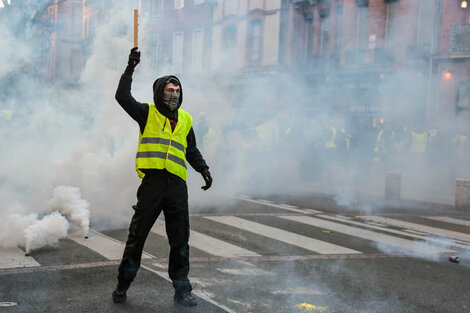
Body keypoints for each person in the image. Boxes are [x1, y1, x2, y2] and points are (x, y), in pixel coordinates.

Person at [112, 48, 213, 307]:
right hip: (153, 185)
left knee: (180, 241)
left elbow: (191, 149)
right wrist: (130, 67)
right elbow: (122, 97)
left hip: (177, 188)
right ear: (160, 92)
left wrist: (203, 168)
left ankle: (182, 291)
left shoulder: (187, 119)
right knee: (137, 237)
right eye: (169, 90)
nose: (174, 94)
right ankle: (123, 284)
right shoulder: (147, 113)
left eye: (177, 91)